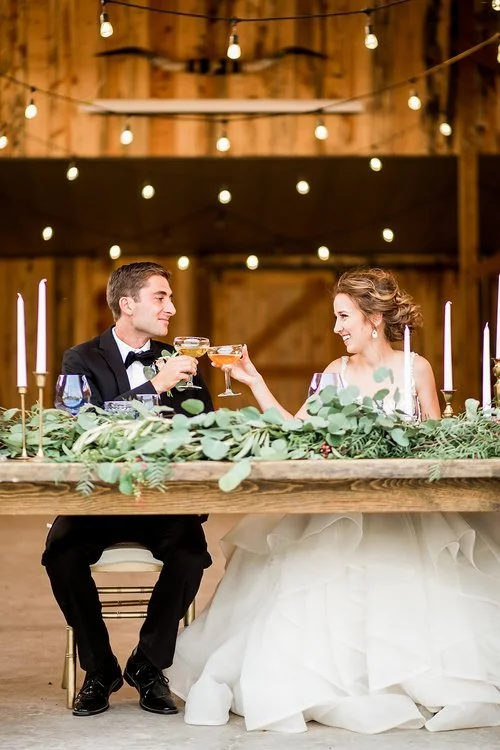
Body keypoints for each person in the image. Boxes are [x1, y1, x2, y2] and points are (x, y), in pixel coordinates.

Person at [169, 268, 500, 734]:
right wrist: (254, 381)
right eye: (335, 317)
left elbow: (436, 446)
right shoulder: (334, 374)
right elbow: (297, 435)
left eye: (344, 316)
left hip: (404, 513)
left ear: (373, 319)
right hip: (339, 513)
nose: (337, 327)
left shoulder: (415, 368)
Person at [42, 261, 213, 717]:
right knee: (61, 553)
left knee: (192, 553)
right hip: (97, 501)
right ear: (126, 304)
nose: (172, 307)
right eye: (160, 297)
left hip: (163, 501)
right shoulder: (80, 359)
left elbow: (204, 428)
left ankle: (148, 666)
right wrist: (155, 387)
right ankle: (99, 669)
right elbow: (81, 424)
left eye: (170, 298)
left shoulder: (179, 359)